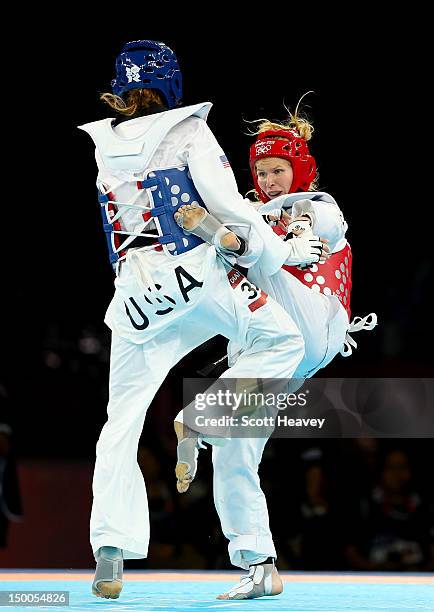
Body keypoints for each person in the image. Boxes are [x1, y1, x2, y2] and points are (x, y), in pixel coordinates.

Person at [79, 41, 331, 600]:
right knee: (281, 341)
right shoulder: (189, 130)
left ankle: (109, 550)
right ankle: (207, 416)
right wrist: (283, 252)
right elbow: (234, 210)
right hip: (195, 277)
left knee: (120, 420)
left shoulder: (102, 146)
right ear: (172, 85)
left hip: (134, 295)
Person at [174, 105, 377, 599]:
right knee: (234, 451)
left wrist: (225, 225)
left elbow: (307, 231)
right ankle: (259, 563)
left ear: (299, 169)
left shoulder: (320, 203)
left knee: (240, 237)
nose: (268, 180)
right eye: (261, 172)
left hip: (312, 325)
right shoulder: (251, 216)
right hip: (275, 349)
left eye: (278, 170)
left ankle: (201, 413)